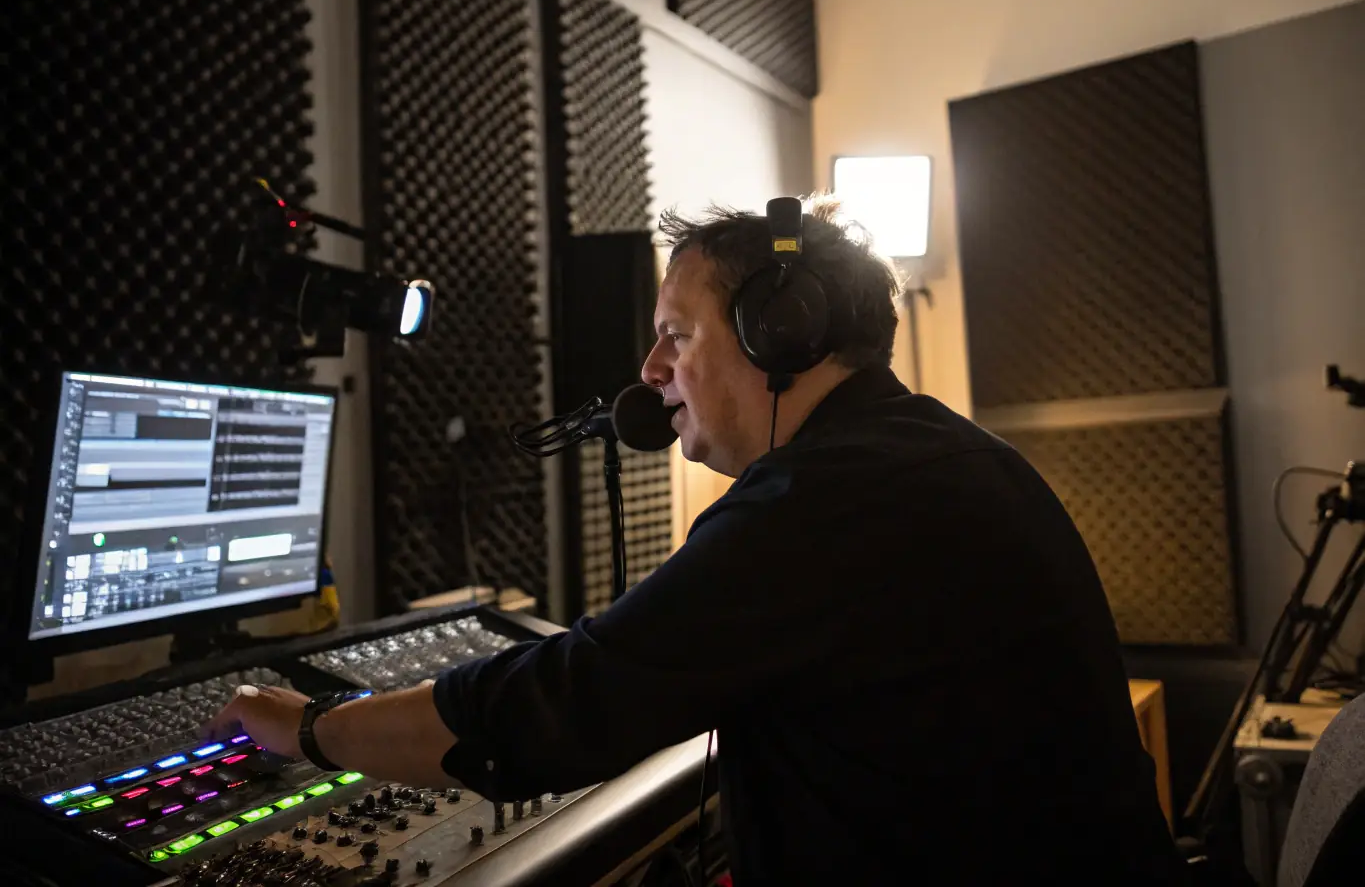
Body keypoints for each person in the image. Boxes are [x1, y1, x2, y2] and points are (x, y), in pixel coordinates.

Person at [205, 198, 1186, 884]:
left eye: (677, 331)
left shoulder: (820, 504)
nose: (649, 365)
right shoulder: (931, 453)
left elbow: (555, 708)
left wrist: (311, 729)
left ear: (778, 333)